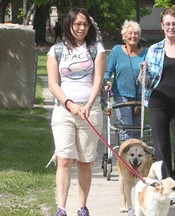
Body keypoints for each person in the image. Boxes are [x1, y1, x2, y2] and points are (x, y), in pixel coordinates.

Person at [46, 8, 106, 216]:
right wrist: (69, 104)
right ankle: (61, 208)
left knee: (84, 161)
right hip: (64, 111)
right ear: (69, 25)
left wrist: (89, 104)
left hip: (90, 110)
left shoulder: (96, 48)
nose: (81, 28)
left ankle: (82, 207)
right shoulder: (56, 51)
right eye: (77, 24)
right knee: (63, 158)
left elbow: (98, 79)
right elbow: (53, 84)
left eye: (85, 24)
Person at [138, 7, 175, 201]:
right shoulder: (154, 49)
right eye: (167, 24)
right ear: (162, 26)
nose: (171, 27)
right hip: (158, 103)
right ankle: (167, 189)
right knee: (162, 147)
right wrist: (142, 74)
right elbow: (144, 81)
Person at [103, 20, 148, 142]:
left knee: (138, 131)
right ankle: (125, 158)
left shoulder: (146, 53)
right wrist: (106, 81)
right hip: (121, 94)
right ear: (124, 36)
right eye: (130, 33)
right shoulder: (117, 51)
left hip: (140, 96)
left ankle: (135, 159)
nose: (133, 36)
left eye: (136, 33)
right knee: (127, 127)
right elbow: (107, 70)